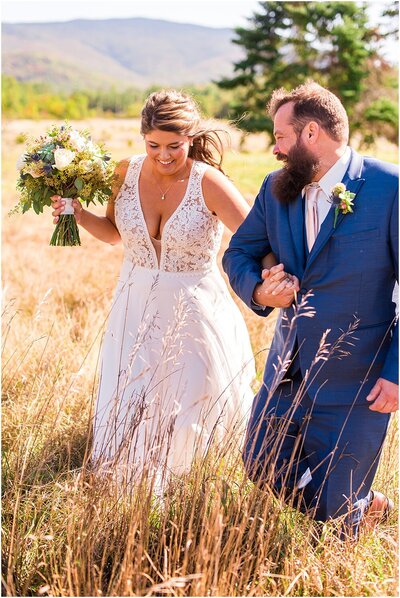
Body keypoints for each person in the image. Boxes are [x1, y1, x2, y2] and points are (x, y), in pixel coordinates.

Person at [51, 90, 296, 489]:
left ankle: (193, 484)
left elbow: (258, 240)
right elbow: (114, 235)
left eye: (174, 146)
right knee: (131, 393)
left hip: (194, 310)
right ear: (142, 137)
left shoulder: (209, 183)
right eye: (154, 145)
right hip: (133, 304)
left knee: (190, 402)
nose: (163, 155)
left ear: (190, 139)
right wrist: (77, 213)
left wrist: (274, 278)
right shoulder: (124, 173)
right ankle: (127, 483)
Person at [223, 81, 398, 536]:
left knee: (333, 509)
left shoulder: (389, 187)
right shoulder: (275, 188)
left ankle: (354, 515)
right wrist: (261, 294)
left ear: (312, 134)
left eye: (281, 136)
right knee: (260, 463)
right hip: (287, 367)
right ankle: (364, 504)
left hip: (359, 379)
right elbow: (238, 254)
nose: (275, 148)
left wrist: (397, 373)